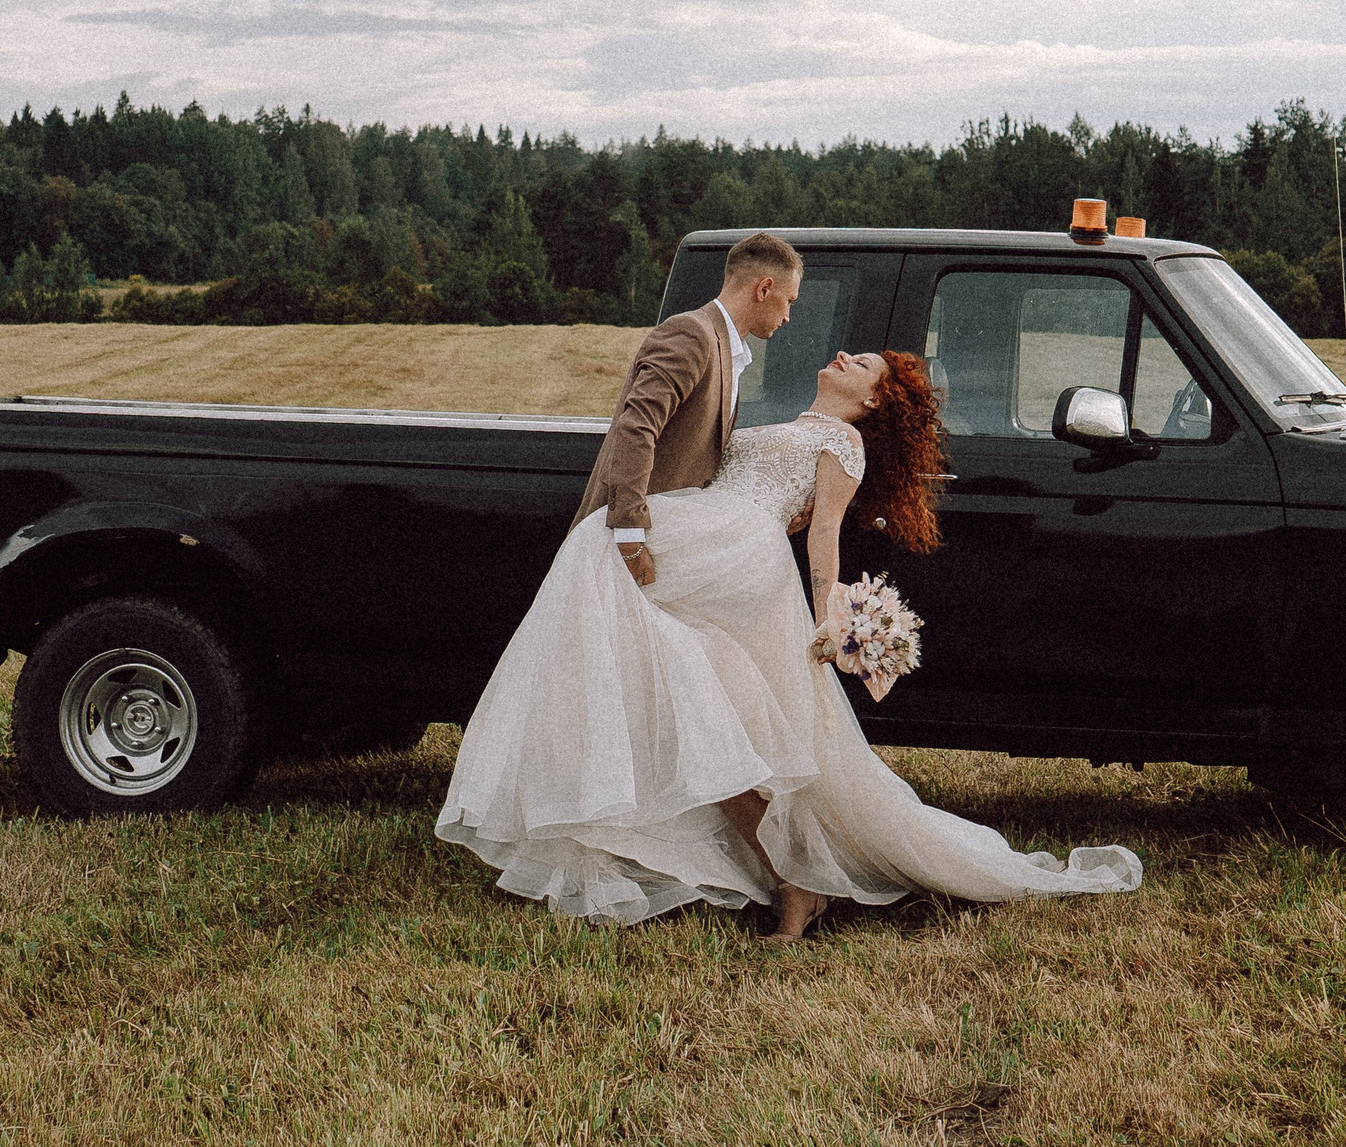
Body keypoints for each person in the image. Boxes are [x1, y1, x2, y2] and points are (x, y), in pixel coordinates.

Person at [437, 257, 1143, 936]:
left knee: (598, 552)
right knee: (700, 707)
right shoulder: (796, 421)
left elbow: (824, 536)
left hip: (737, 551)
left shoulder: (843, 443)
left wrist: (828, 617)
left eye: (860, 364)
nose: (842, 355)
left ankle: (737, 860)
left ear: (872, 401)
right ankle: (785, 877)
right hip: (714, 531)